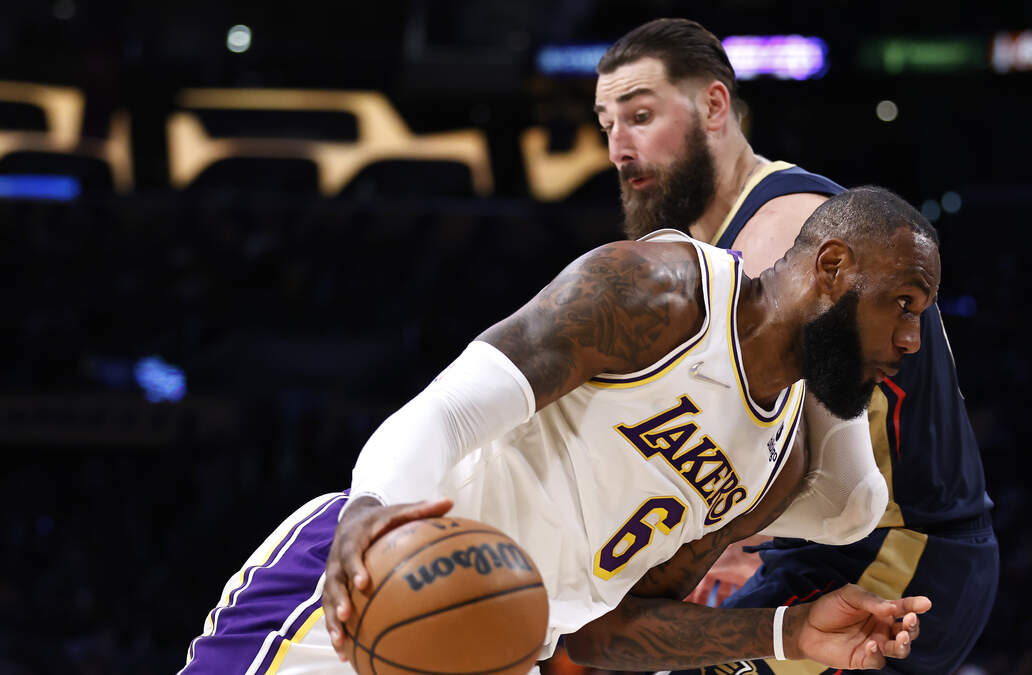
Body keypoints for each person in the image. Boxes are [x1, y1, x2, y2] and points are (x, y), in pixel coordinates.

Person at [180, 185, 940, 674]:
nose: (911, 340)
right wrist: (372, 512)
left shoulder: (778, 465)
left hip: (500, 649)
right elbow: (446, 412)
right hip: (377, 582)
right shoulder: (663, 295)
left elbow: (603, 633)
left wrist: (789, 632)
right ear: (832, 267)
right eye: (901, 304)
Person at [593, 18, 999, 675]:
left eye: (640, 116)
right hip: (820, 548)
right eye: (607, 123)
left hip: (895, 554)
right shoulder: (721, 237)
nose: (619, 147)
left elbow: (776, 458)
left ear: (714, 107)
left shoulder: (779, 232)